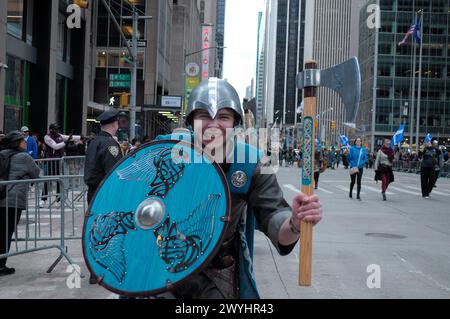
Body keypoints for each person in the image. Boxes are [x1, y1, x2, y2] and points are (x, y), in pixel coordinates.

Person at [149, 78, 323, 299]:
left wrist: (296, 223)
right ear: (191, 122)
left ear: (234, 122)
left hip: (217, 272)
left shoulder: (254, 162)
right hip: (160, 265)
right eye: (204, 116)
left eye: (223, 116)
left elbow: (275, 217)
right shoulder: (163, 151)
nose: (213, 125)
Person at [84, 110, 123, 284]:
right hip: (105, 193)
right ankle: (100, 272)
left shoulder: (94, 141)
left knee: (95, 231)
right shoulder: (109, 144)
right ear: (114, 125)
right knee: (107, 232)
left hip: (93, 192)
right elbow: (115, 173)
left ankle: (95, 271)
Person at [0, 131, 40, 276]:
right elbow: (37, 174)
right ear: (17, 143)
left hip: (1, 197)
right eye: (23, 141)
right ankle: (1, 265)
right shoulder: (24, 157)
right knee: (6, 233)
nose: (25, 142)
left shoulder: (2, 154)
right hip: (13, 200)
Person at [41, 124, 81, 207]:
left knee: (59, 181)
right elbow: (55, 146)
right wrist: (65, 142)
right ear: (51, 130)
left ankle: (58, 199)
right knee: (47, 181)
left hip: (59, 162)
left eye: (58, 129)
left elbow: (69, 137)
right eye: (55, 129)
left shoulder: (60, 136)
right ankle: (43, 199)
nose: (57, 131)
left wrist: (80, 137)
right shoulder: (47, 137)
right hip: (51, 162)